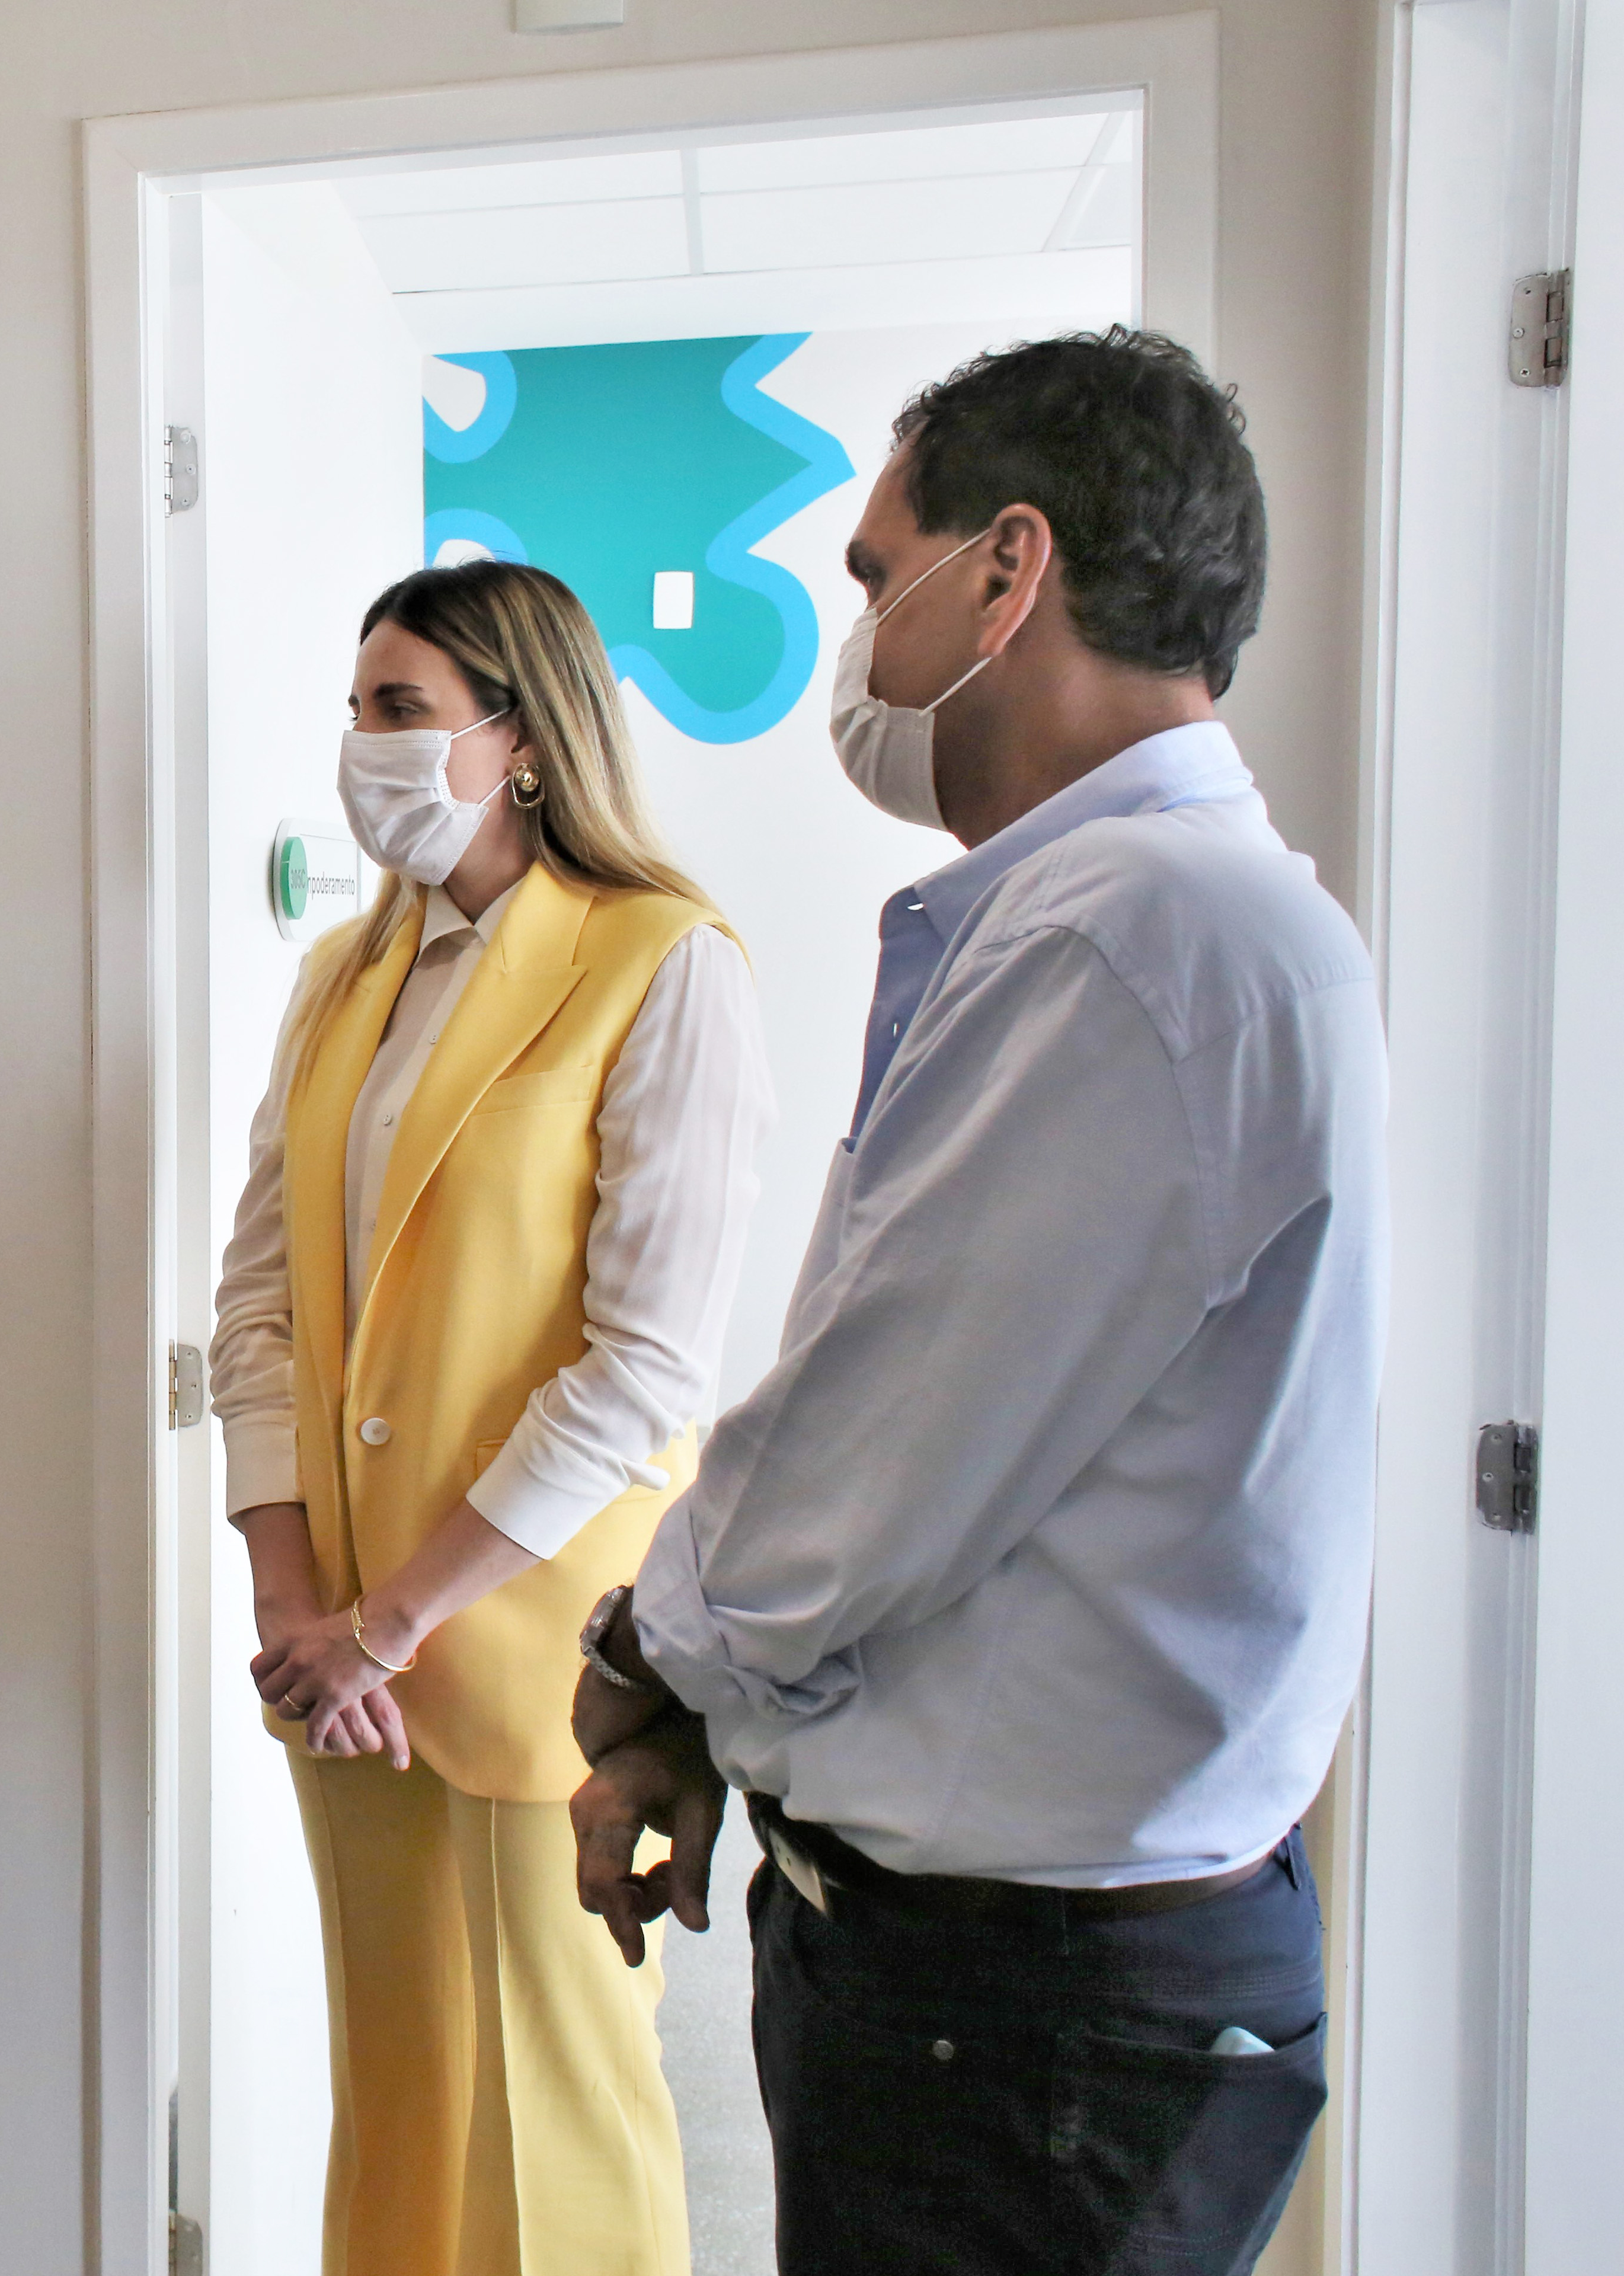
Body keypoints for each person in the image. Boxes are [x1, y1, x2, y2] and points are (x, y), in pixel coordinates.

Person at [567, 330, 1384, 2276]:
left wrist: (650, 1658)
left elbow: (878, 1451)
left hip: (1027, 2021)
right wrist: (720, 1722)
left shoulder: (1142, 936)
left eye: (876, 577)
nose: (859, 641)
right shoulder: (1137, 917)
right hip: (1017, 1983)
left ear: (1008, 569)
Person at [209, 558, 773, 2276]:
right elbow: (259, 1302)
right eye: (356, 709)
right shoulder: (345, 975)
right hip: (344, 1657)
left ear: (522, 739)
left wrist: (392, 1618)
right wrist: (294, 1601)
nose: (362, 744)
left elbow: (644, 1367)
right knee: (402, 2086)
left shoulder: (661, 963)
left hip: (533, 1639)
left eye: (403, 710)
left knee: (559, 2104)